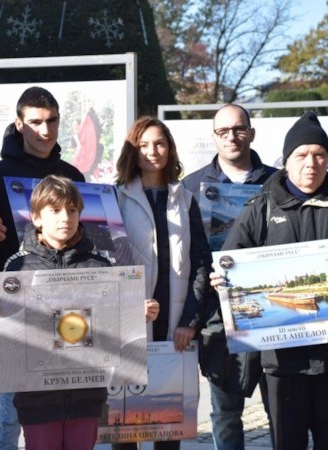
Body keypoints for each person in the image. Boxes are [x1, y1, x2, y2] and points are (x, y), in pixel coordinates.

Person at [213, 111, 328, 449]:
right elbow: (231, 261)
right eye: (301, 155)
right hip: (282, 360)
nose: (310, 163)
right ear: (286, 161)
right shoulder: (260, 209)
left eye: (319, 155)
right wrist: (224, 280)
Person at [0, 175, 153, 450]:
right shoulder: (17, 267)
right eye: (55, 210)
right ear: (36, 218)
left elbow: (114, 325)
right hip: (37, 398)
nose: (65, 218)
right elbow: (5, 334)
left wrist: (136, 314)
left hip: (87, 396)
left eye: (71, 210)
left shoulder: (100, 265)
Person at [0, 86, 85, 450]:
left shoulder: (73, 175)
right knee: (9, 410)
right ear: (19, 124)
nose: (45, 130)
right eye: (36, 122)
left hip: (69, 311)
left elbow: (89, 242)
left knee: (68, 409)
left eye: (52, 121)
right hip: (14, 312)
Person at [112, 117, 213, 450]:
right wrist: (127, 311)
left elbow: (200, 263)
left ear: (170, 149)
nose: (152, 151)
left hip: (174, 328)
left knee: (168, 429)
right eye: (143, 145)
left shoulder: (185, 199)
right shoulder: (115, 198)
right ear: (132, 150)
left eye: (159, 143)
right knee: (125, 428)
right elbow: (106, 265)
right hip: (130, 326)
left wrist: (190, 321)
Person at [181, 104, 277, 450]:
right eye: (223, 131)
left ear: (251, 132)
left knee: (280, 408)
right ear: (214, 137)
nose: (232, 137)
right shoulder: (191, 186)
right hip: (216, 312)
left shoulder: (278, 183)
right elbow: (185, 253)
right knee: (224, 411)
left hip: (271, 309)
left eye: (239, 129)